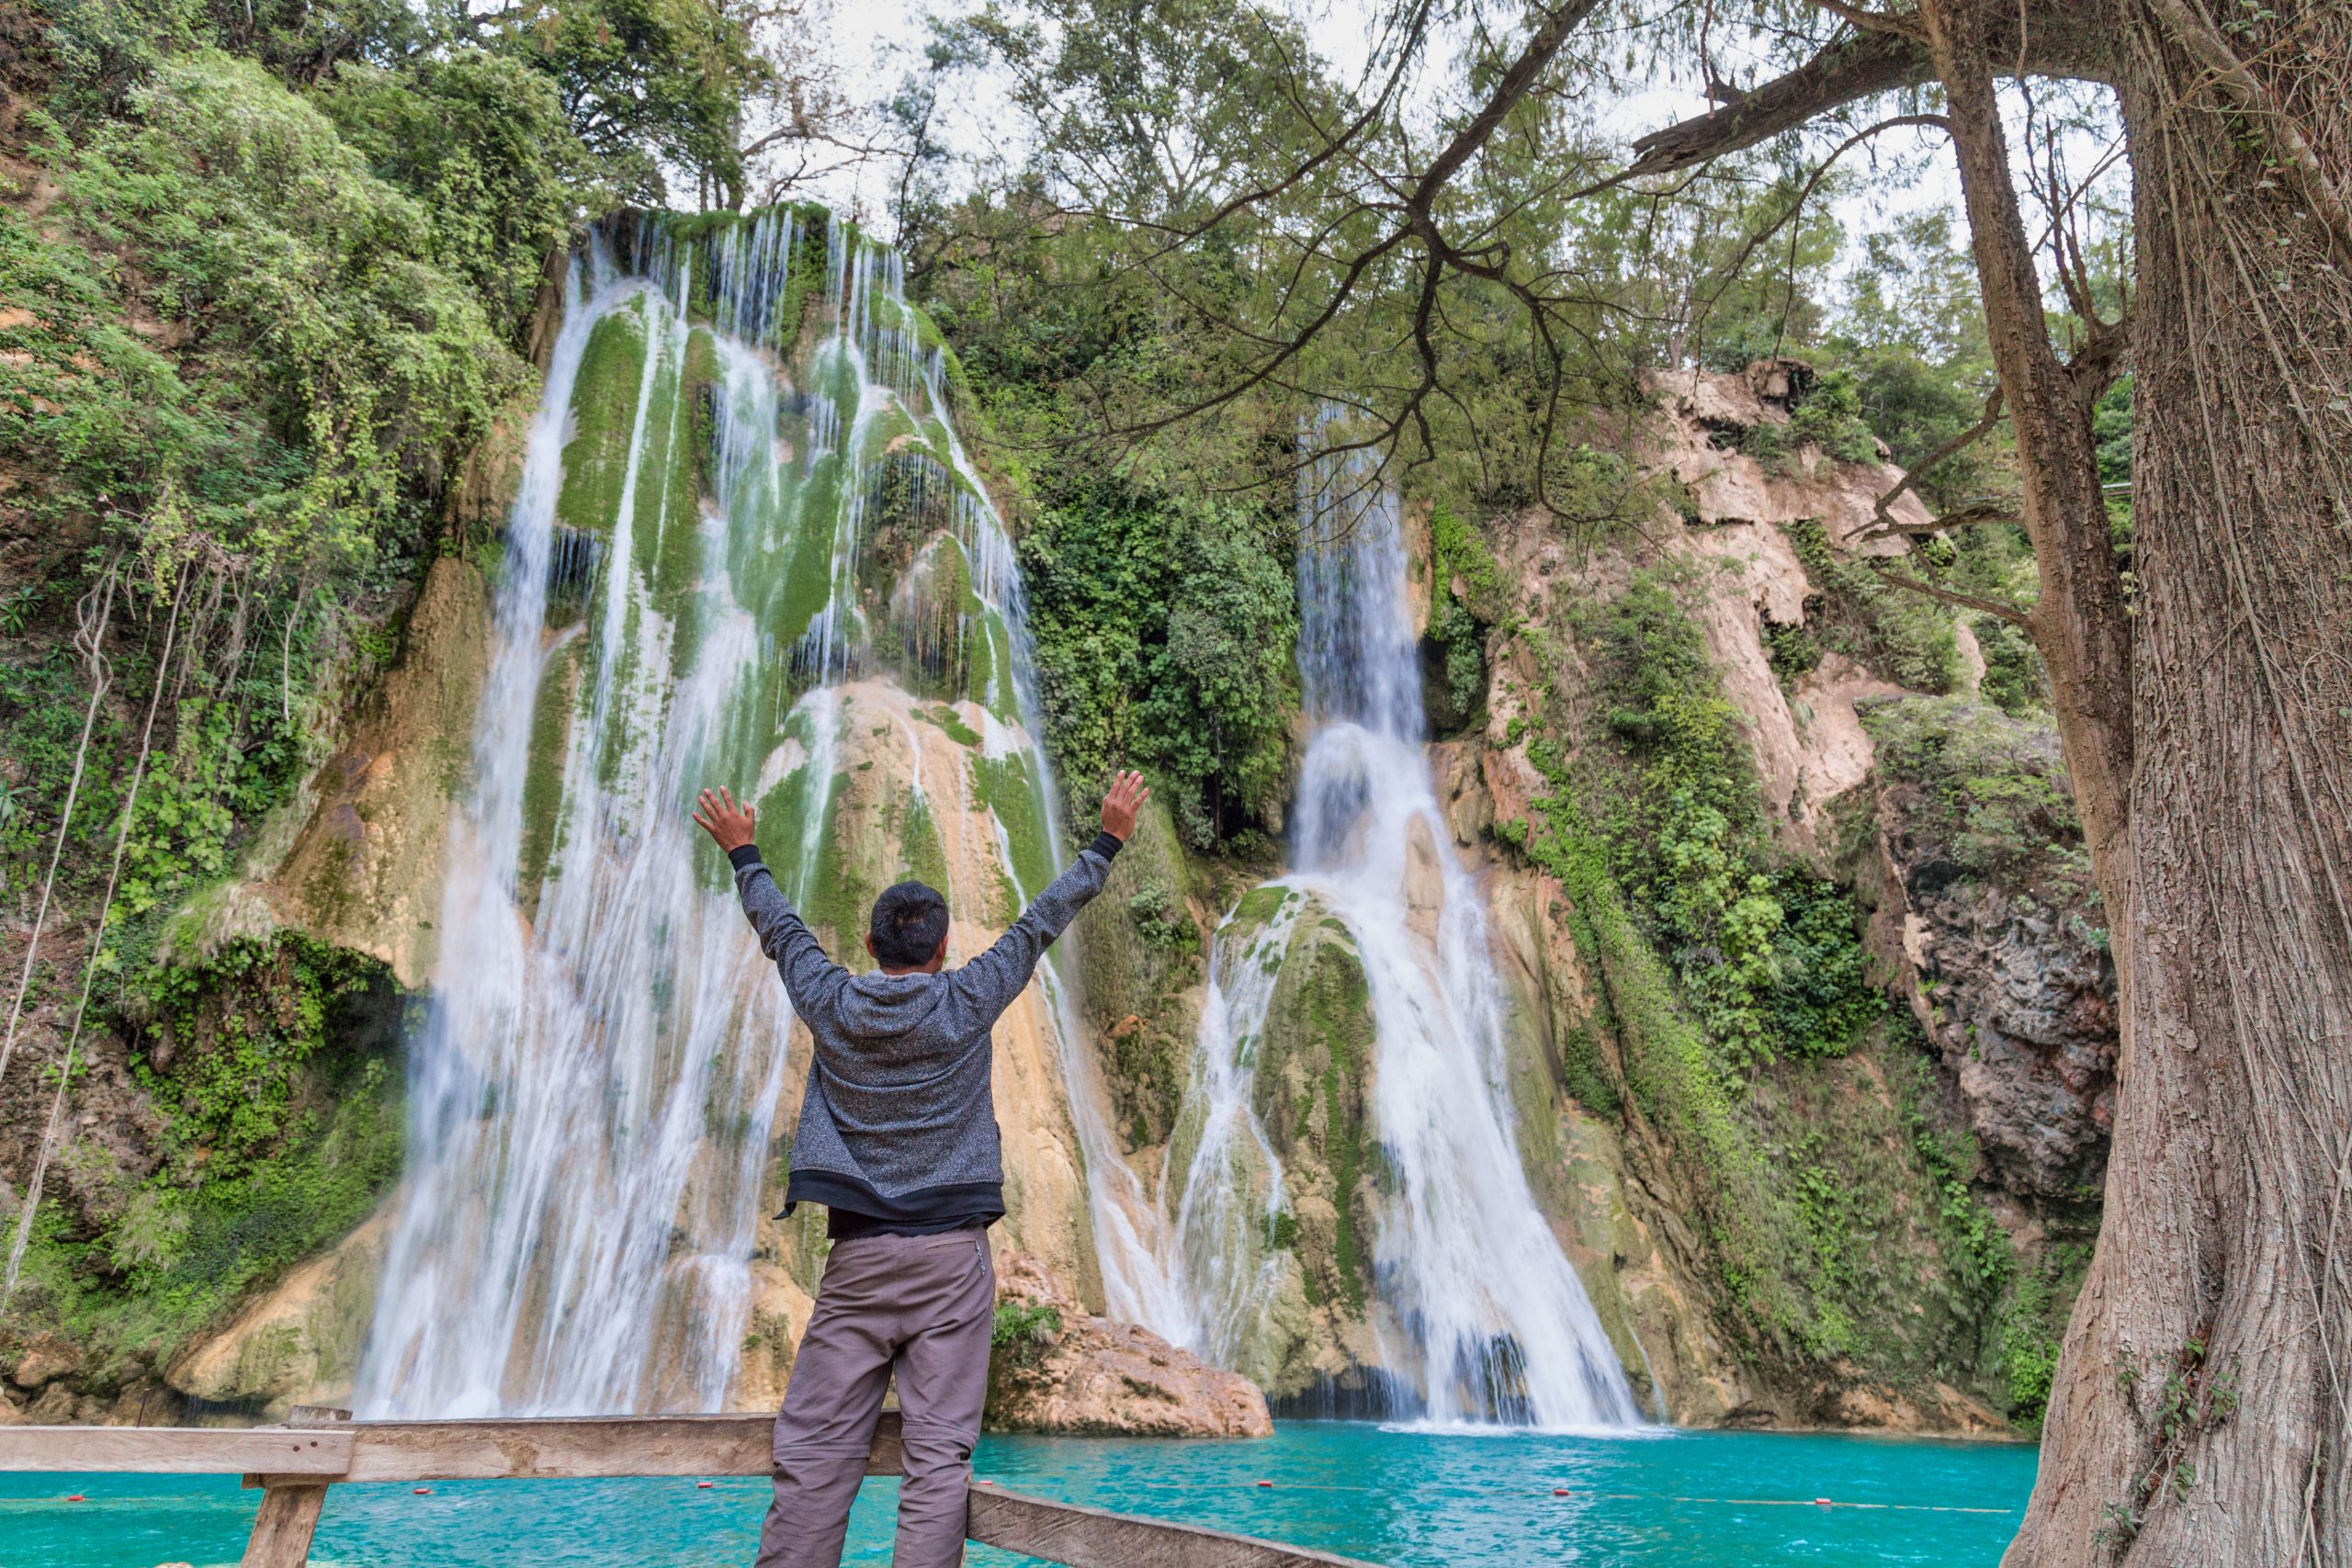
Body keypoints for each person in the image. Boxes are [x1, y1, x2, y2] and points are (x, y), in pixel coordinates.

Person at [690, 770, 1151, 1568]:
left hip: (859, 1263)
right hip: (951, 1263)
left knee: (814, 1458)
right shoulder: (968, 996)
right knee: (938, 1463)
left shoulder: (831, 1000)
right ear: (942, 950)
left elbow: (782, 931)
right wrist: (1106, 840)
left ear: (871, 946)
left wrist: (744, 853)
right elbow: (1041, 923)